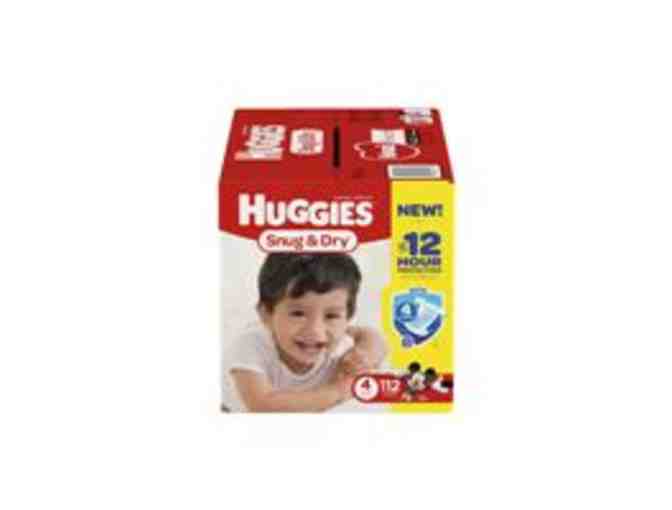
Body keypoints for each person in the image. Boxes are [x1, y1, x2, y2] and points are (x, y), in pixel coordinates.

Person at [221, 253, 388, 412]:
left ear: (348, 318)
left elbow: (371, 336)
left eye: (331, 316)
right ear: (266, 315)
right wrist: (338, 391)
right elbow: (263, 406)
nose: (315, 331)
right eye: (298, 314)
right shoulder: (251, 345)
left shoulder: (340, 345)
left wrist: (365, 355)